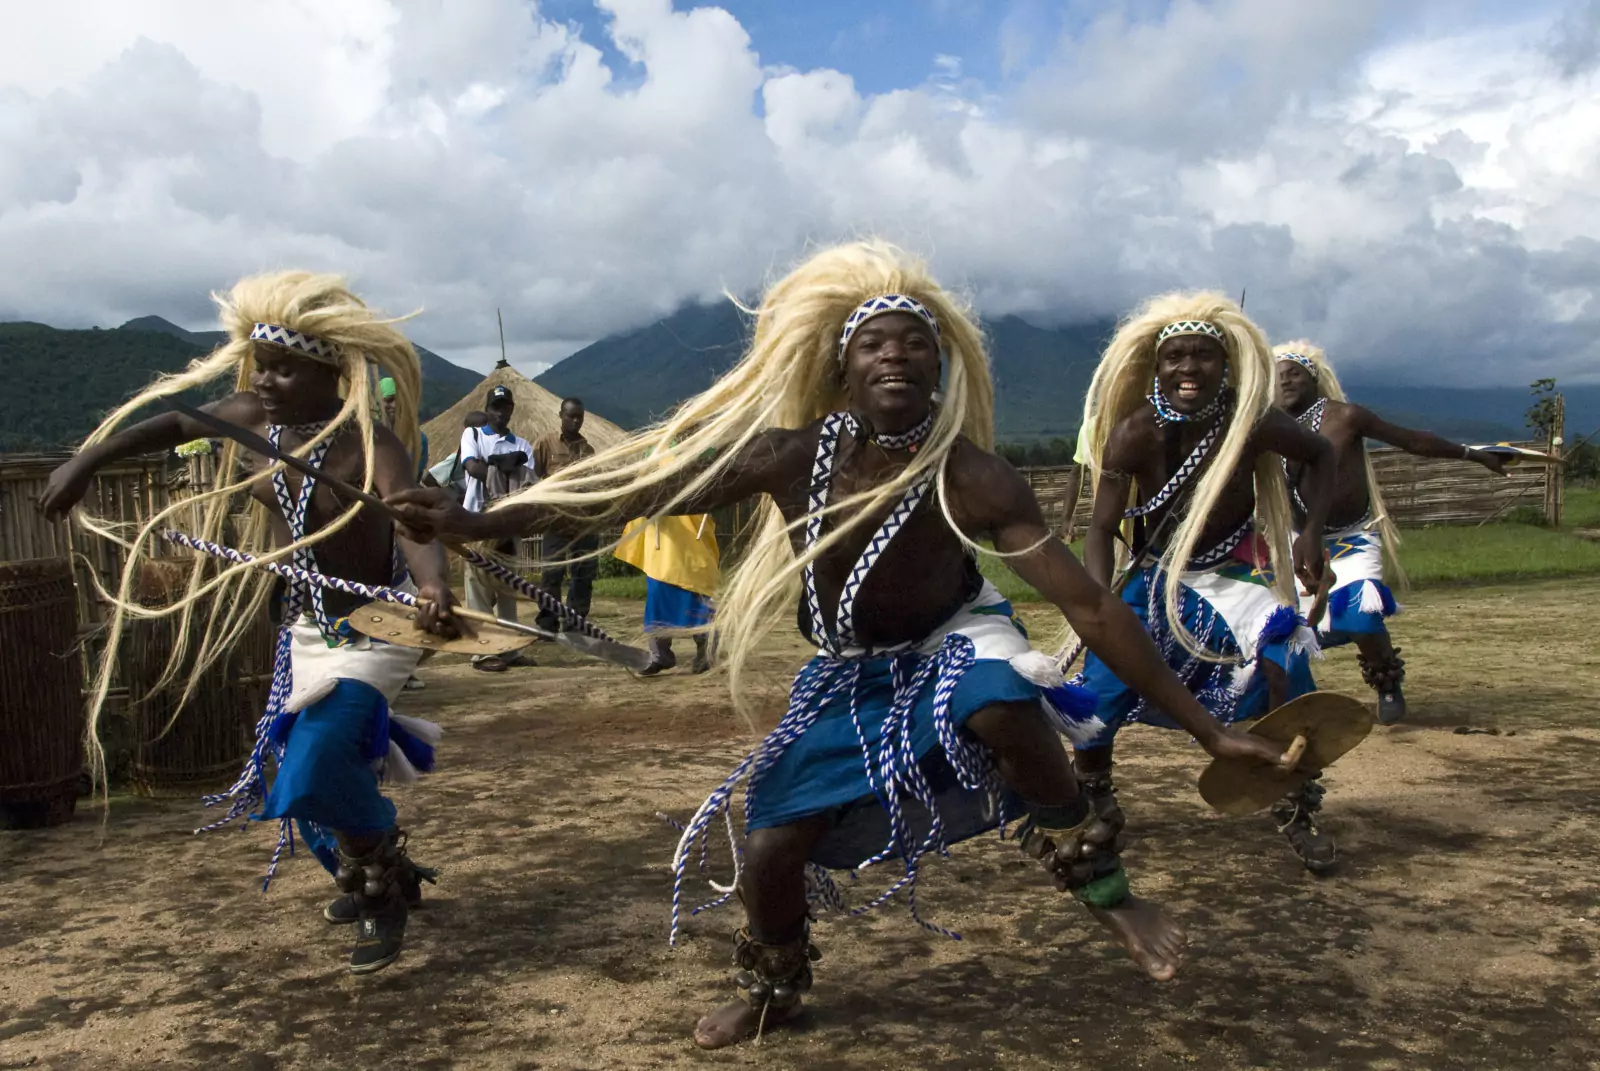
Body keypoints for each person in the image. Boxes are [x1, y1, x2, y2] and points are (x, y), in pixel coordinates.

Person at [388, 242, 1300, 1049]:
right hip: (848, 674)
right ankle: (775, 985)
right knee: (773, 851)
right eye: (874, 343)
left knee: (998, 696)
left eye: (915, 343)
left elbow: (1093, 608)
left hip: (953, 640)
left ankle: (1105, 886)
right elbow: (636, 490)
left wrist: (1207, 731)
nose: (895, 354)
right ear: (844, 366)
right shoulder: (791, 454)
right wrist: (479, 519)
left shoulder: (969, 474)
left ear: (941, 371)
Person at [40, 271, 462, 974]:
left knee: (319, 758)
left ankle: (381, 891)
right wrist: (88, 460)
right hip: (305, 631)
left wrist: (433, 583)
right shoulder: (256, 421)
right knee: (292, 774)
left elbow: (412, 519)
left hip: (377, 626)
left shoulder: (371, 442)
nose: (264, 380)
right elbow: (174, 423)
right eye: (260, 365)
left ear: (328, 368)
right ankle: (383, 873)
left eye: (282, 368)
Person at [1073, 293, 1339, 873]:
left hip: (1230, 576)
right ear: (1156, 366)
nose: (1188, 368)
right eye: (1175, 357)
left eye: (1203, 356)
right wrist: (1098, 604)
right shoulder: (1134, 433)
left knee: (1284, 661)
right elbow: (1098, 528)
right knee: (1100, 693)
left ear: (1227, 366)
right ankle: (1094, 796)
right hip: (1153, 576)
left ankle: (1294, 801)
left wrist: (1311, 534)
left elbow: (1322, 455)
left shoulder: (1251, 423)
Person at [1275, 341, 1506, 724]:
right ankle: (1294, 703)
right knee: (1285, 629)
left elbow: (1413, 440)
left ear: (1315, 379)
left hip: (1351, 537)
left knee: (1361, 617)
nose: (1286, 381)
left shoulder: (1346, 417)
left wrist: (1472, 454)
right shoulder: (1269, 426)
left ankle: (1386, 681)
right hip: (1296, 543)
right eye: (1279, 376)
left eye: (1295, 373)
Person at [458, 384, 536, 672]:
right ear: (487, 409)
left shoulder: (523, 444)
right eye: (495, 407)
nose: (499, 413)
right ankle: (482, 651)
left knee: (508, 588)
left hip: (508, 522)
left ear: (511, 410)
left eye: (504, 408)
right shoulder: (473, 434)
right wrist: (506, 466)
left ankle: (509, 649)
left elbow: (528, 481)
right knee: (477, 586)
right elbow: (471, 468)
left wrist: (493, 465)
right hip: (478, 520)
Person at [615, 508, 717, 675]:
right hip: (660, 534)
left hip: (692, 530)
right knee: (658, 595)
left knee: (697, 595)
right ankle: (659, 655)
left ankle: (706, 653)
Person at [382, 375, 432, 690]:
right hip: (369, 523)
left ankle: (404, 666)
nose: (393, 407)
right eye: (388, 401)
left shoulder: (419, 439)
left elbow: (413, 481)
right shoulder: (364, 435)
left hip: (402, 523)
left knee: (407, 593)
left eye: (398, 403)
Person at [530, 397, 597, 634]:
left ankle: (576, 622)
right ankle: (548, 622)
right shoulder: (546, 444)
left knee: (583, 571)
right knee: (552, 572)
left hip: (583, 519)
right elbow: (532, 477)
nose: (576, 420)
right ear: (561, 416)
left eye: (579, 416)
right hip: (556, 517)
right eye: (571, 416)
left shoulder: (588, 450)